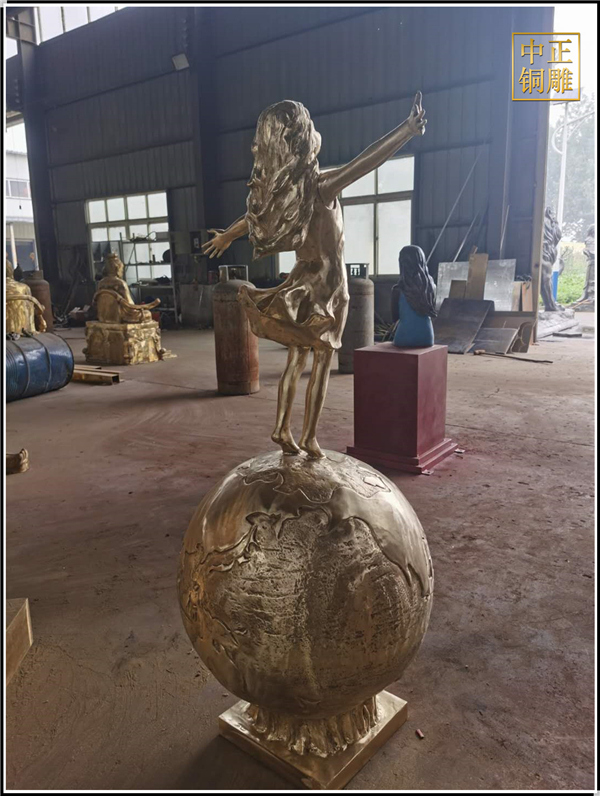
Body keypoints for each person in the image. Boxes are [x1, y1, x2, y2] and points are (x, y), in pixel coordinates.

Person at [203, 93, 427, 458]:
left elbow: (251, 220)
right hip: (329, 288)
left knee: (296, 359)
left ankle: (281, 427)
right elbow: (365, 162)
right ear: (306, 142)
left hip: (300, 282)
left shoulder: (290, 195)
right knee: (321, 363)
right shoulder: (322, 187)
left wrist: (227, 236)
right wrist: (406, 130)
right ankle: (308, 437)